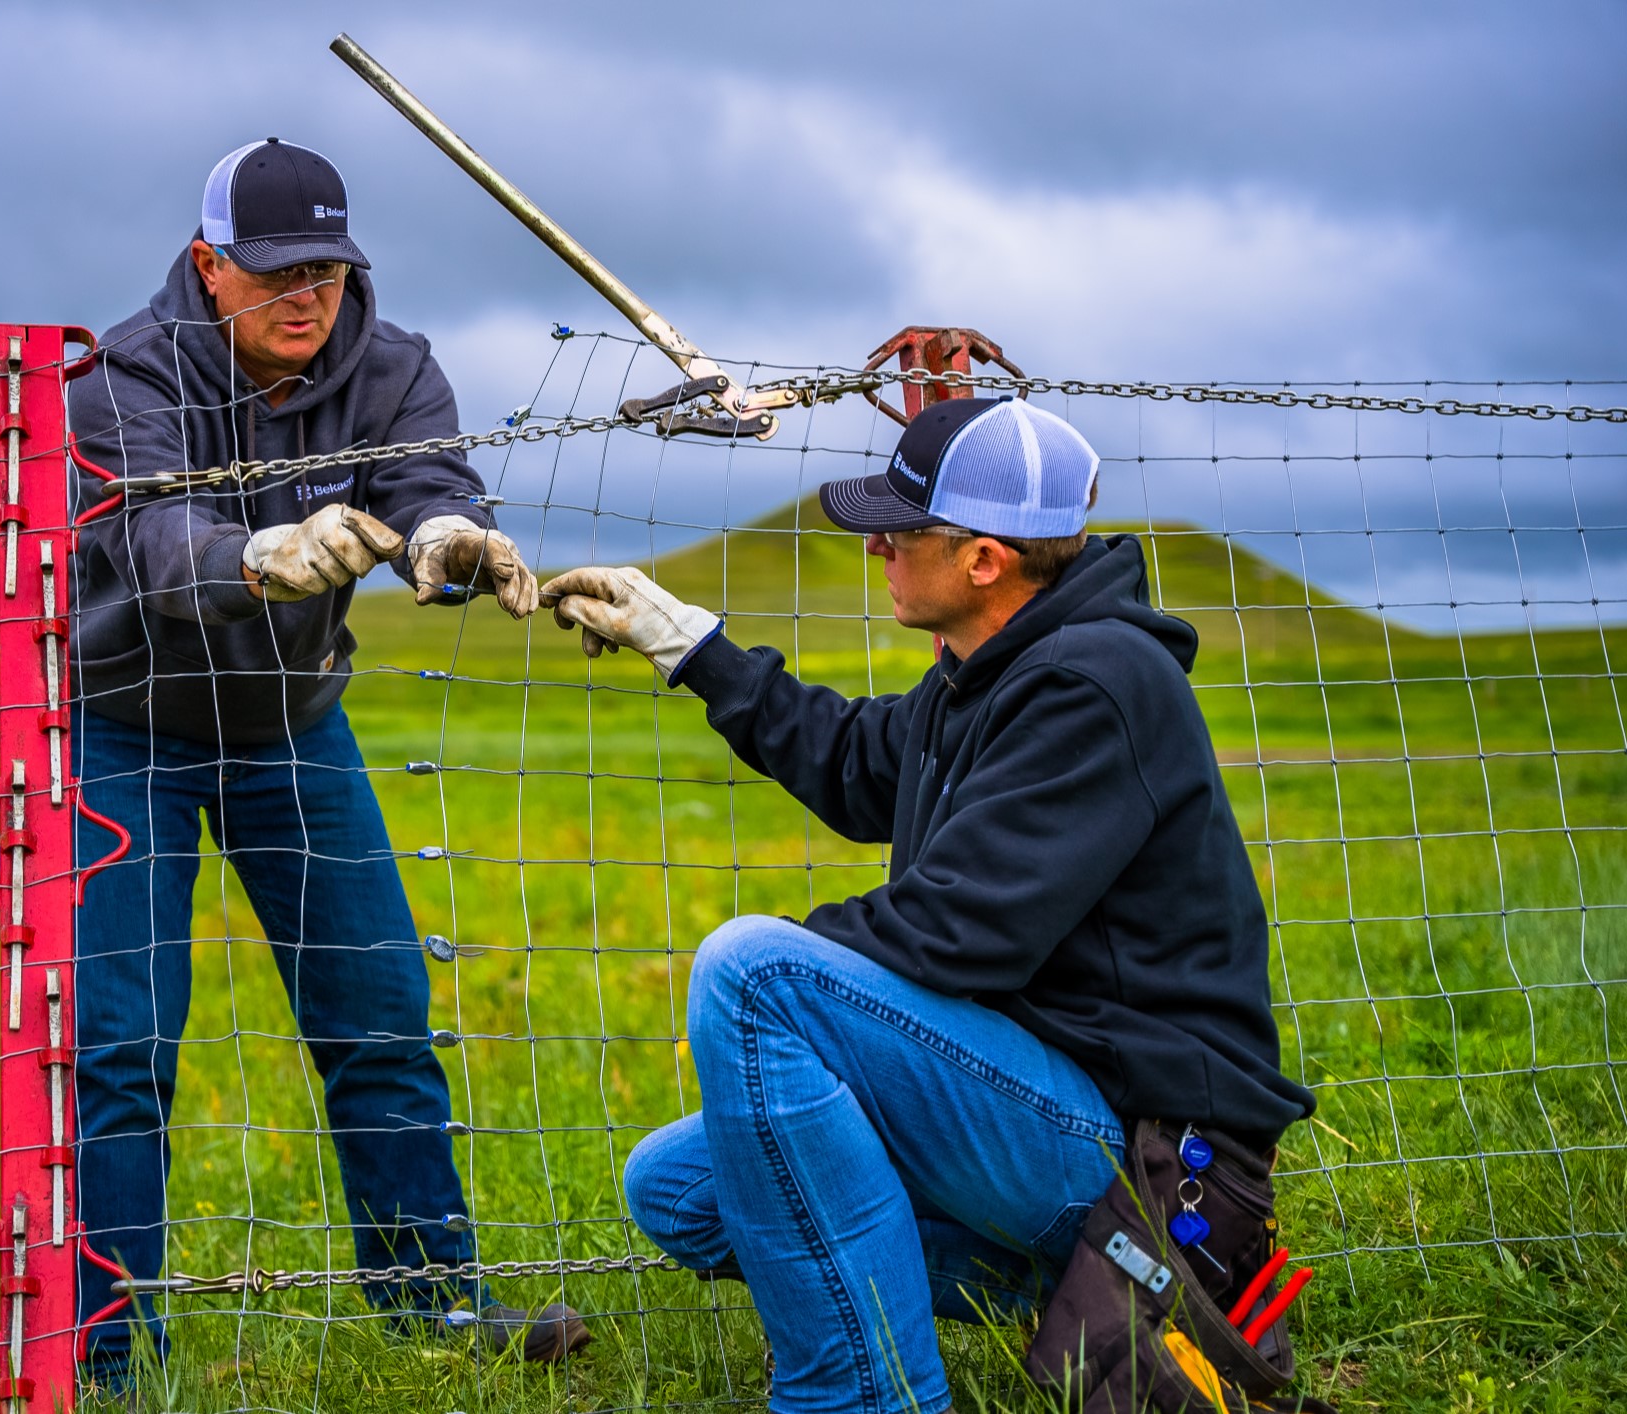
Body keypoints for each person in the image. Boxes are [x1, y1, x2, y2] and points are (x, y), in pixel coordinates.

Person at [541, 395, 1314, 1413]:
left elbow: (960, 932)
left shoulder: (1094, 685)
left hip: (1148, 1156)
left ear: (984, 561)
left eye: (900, 533)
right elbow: (861, 762)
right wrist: (691, 647)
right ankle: (1092, 1307)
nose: (876, 552)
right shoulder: (991, 670)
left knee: (754, 974)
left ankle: (867, 1394)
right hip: (1045, 1101)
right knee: (678, 1187)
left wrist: (789, 986)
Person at [66, 137, 588, 1377]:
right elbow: (153, 538)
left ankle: (435, 1314)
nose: (310, 296)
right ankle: (107, 1356)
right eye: (278, 271)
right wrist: (256, 557)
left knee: (380, 1017)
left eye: (331, 270)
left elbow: (425, 478)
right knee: (121, 1043)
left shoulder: (392, 364)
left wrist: (448, 533)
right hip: (121, 727)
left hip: (293, 725)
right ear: (209, 265)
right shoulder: (119, 376)